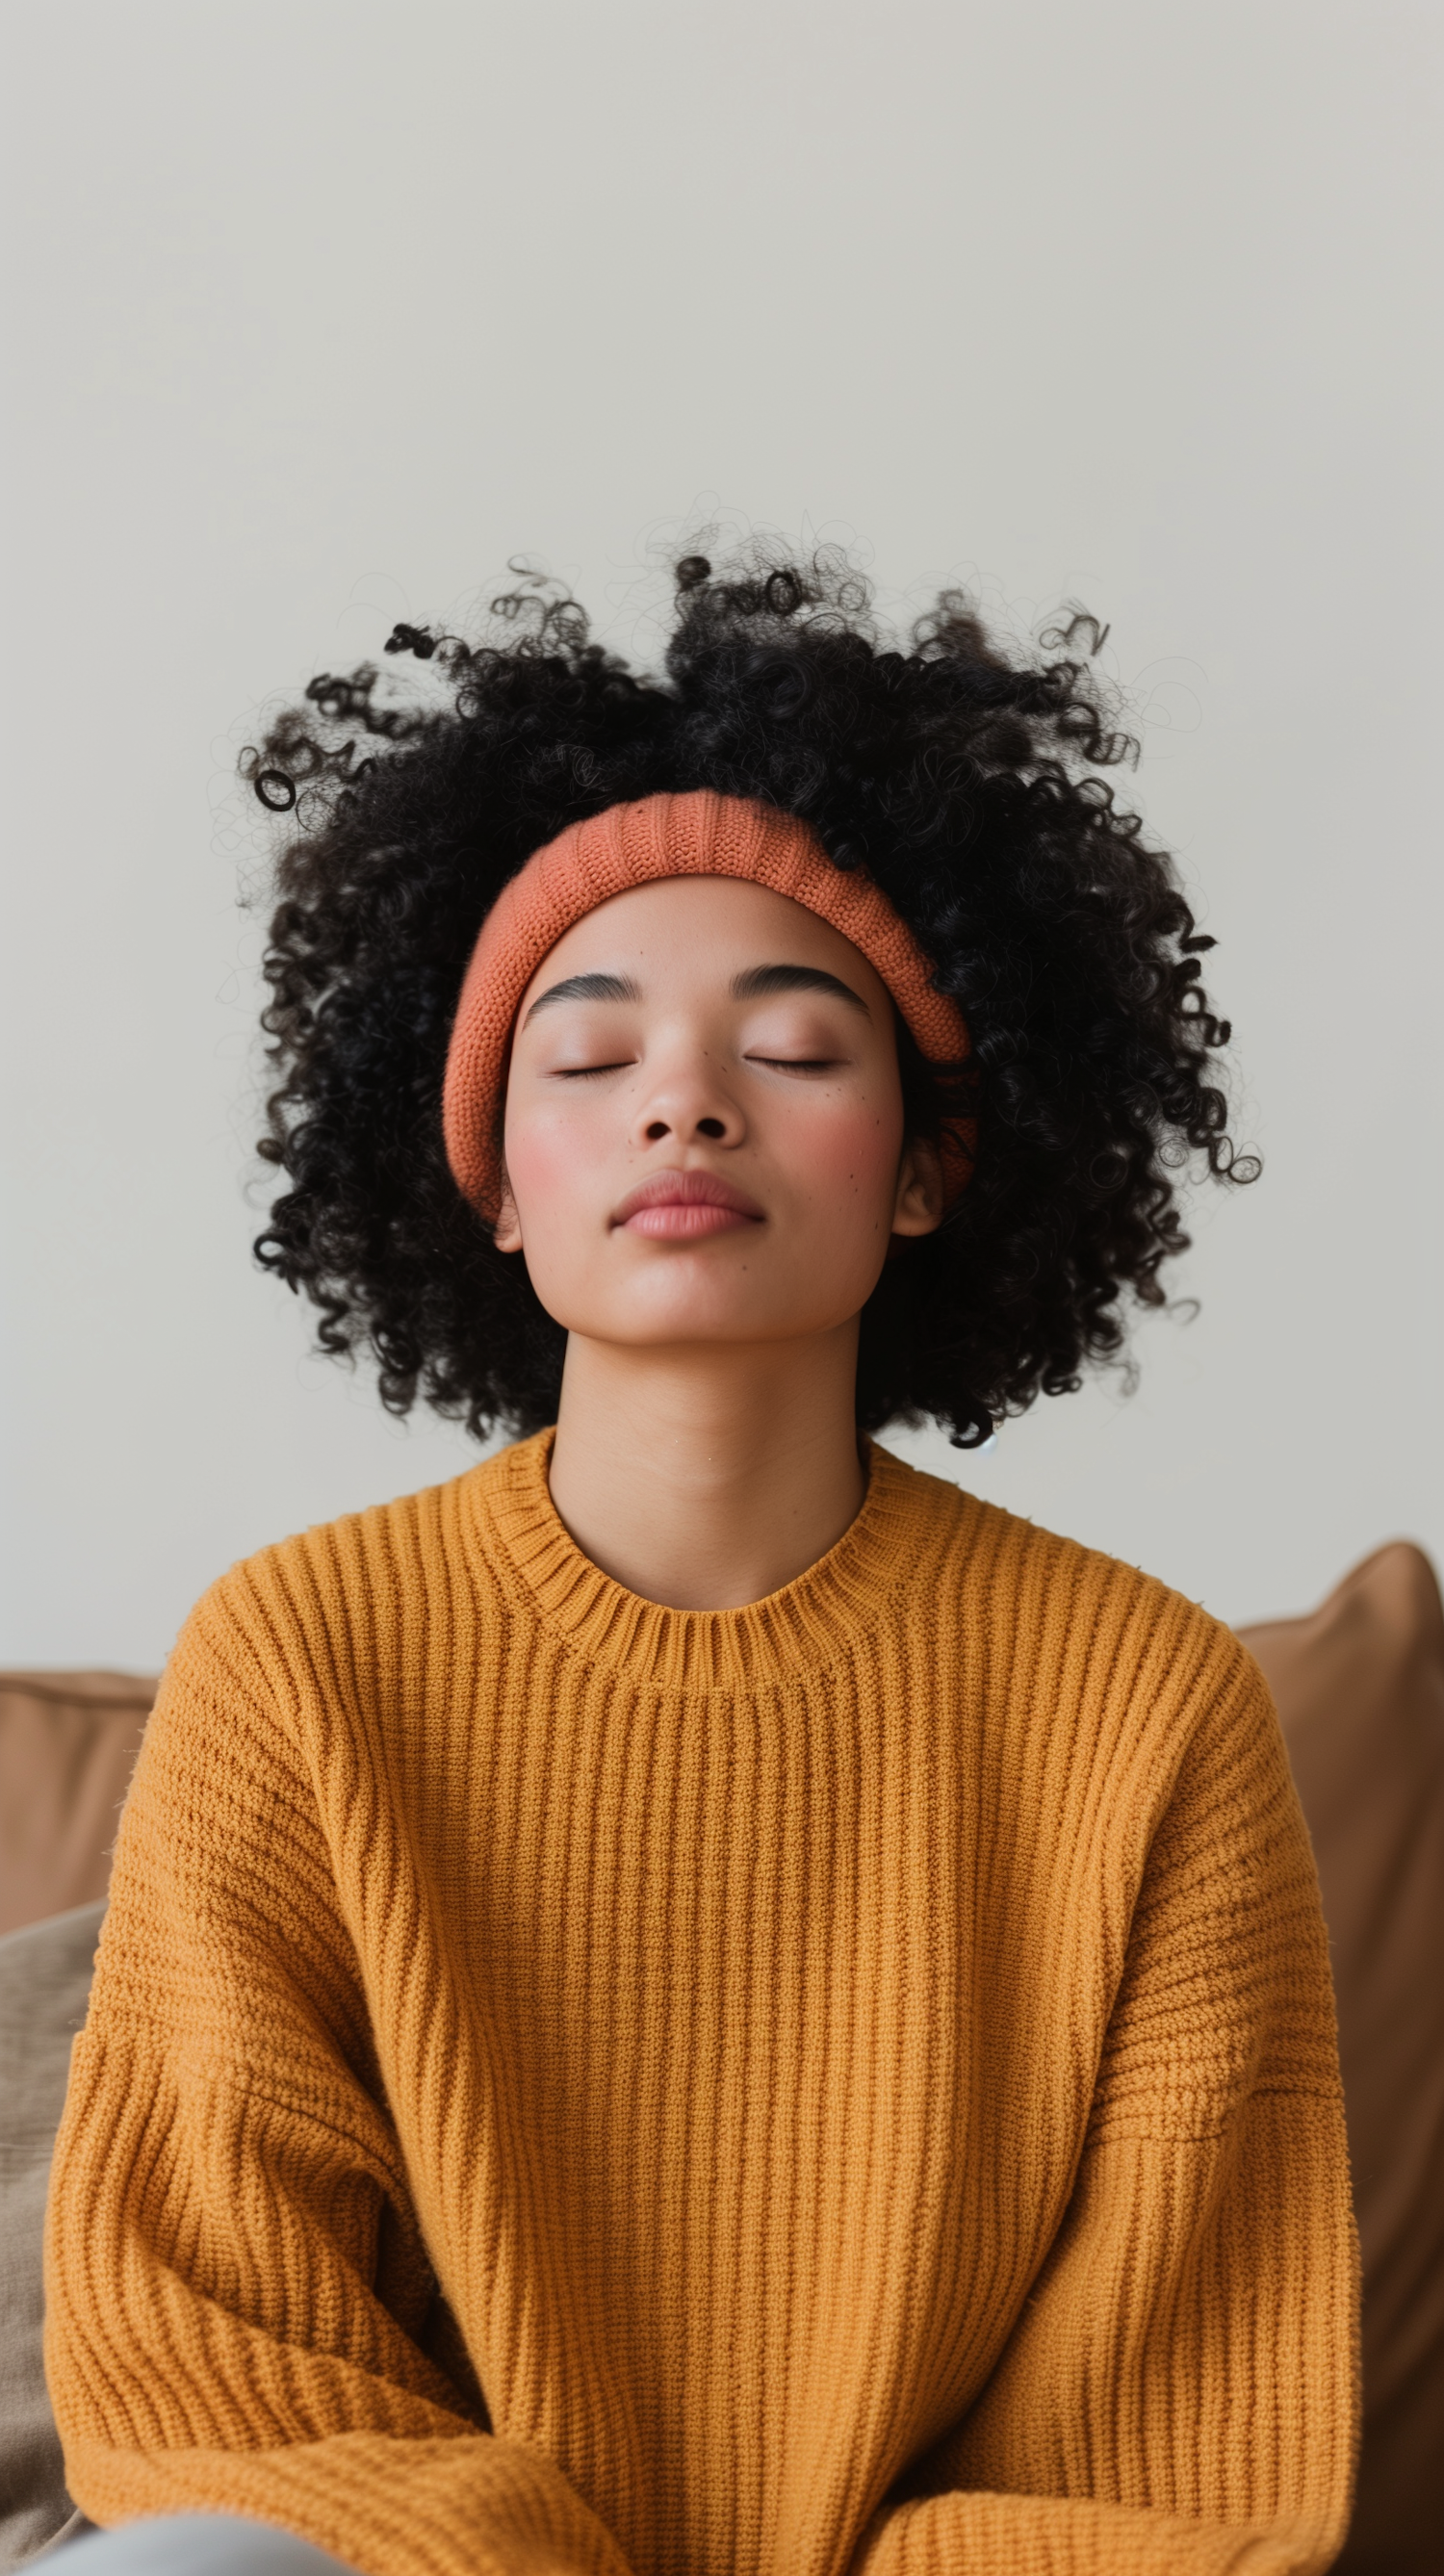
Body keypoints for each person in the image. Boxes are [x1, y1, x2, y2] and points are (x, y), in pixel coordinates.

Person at [43, 549, 1358, 2576]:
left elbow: (1167, 2452)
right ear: (492, 1183)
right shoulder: (302, 1658)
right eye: (589, 1058)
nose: (685, 1101)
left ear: (925, 1169)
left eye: (797, 1049)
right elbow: (213, 2365)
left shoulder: (1144, 1702)